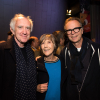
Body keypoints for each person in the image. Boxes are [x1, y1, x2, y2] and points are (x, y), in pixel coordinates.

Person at [61, 17, 100, 100]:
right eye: (69, 30)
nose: (72, 33)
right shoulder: (64, 52)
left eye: (76, 29)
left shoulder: (96, 49)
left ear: (82, 30)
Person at [0, 14, 37, 100]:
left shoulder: (31, 52)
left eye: (27, 28)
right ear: (12, 30)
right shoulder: (3, 50)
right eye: (20, 27)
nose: (24, 32)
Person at [36, 34, 64, 100]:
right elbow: (27, 83)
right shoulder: (37, 64)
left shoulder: (63, 61)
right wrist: (36, 88)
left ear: (54, 45)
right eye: (43, 43)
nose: (45, 46)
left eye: (49, 42)